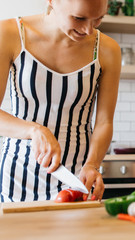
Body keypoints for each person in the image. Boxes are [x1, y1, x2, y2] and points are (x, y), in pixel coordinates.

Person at [0, 0, 121, 202]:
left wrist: (92, 164)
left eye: (98, 19)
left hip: (76, 177)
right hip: (17, 176)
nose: (88, 30)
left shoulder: (108, 49)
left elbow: (104, 122)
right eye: (79, 18)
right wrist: (34, 130)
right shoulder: (9, 33)